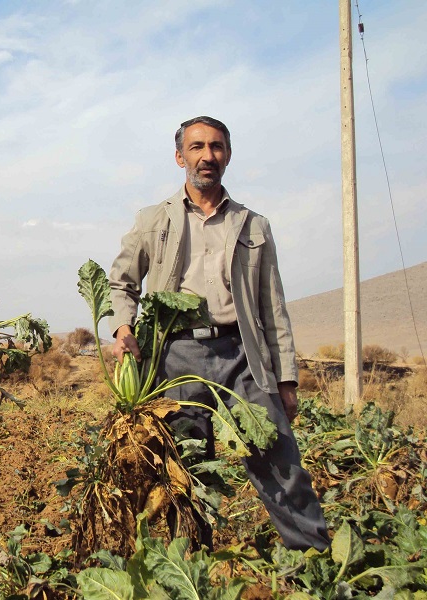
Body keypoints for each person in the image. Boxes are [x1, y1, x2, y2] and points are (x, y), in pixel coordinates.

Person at [108, 116, 329, 551]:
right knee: (186, 466)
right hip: (177, 356)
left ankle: (312, 559)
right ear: (180, 157)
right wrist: (122, 326)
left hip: (243, 354)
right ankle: (190, 561)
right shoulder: (153, 220)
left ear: (227, 155)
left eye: (216, 147)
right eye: (197, 147)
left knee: (278, 458)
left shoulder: (252, 225)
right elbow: (122, 281)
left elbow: (273, 308)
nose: (207, 156)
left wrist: (286, 379)